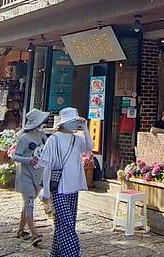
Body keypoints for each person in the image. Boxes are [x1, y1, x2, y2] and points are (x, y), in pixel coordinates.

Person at [41, 107, 94, 257]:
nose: (73, 124)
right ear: (63, 123)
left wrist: (85, 127)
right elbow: (47, 165)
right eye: (71, 121)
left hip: (73, 186)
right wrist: (46, 191)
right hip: (59, 187)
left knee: (64, 223)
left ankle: (56, 253)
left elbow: (89, 147)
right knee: (67, 224)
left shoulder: (77, 139)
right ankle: (72, 254)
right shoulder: (54, 139)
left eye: (75, 121)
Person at [12, 108, 49, 246]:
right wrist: (28, 160)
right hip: (26, 175)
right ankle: (35, 233)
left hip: (38, 175)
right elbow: (15, 156)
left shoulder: (42, 135)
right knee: (29, 203)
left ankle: (20, 230)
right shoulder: (24, 138)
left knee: (28, 203)